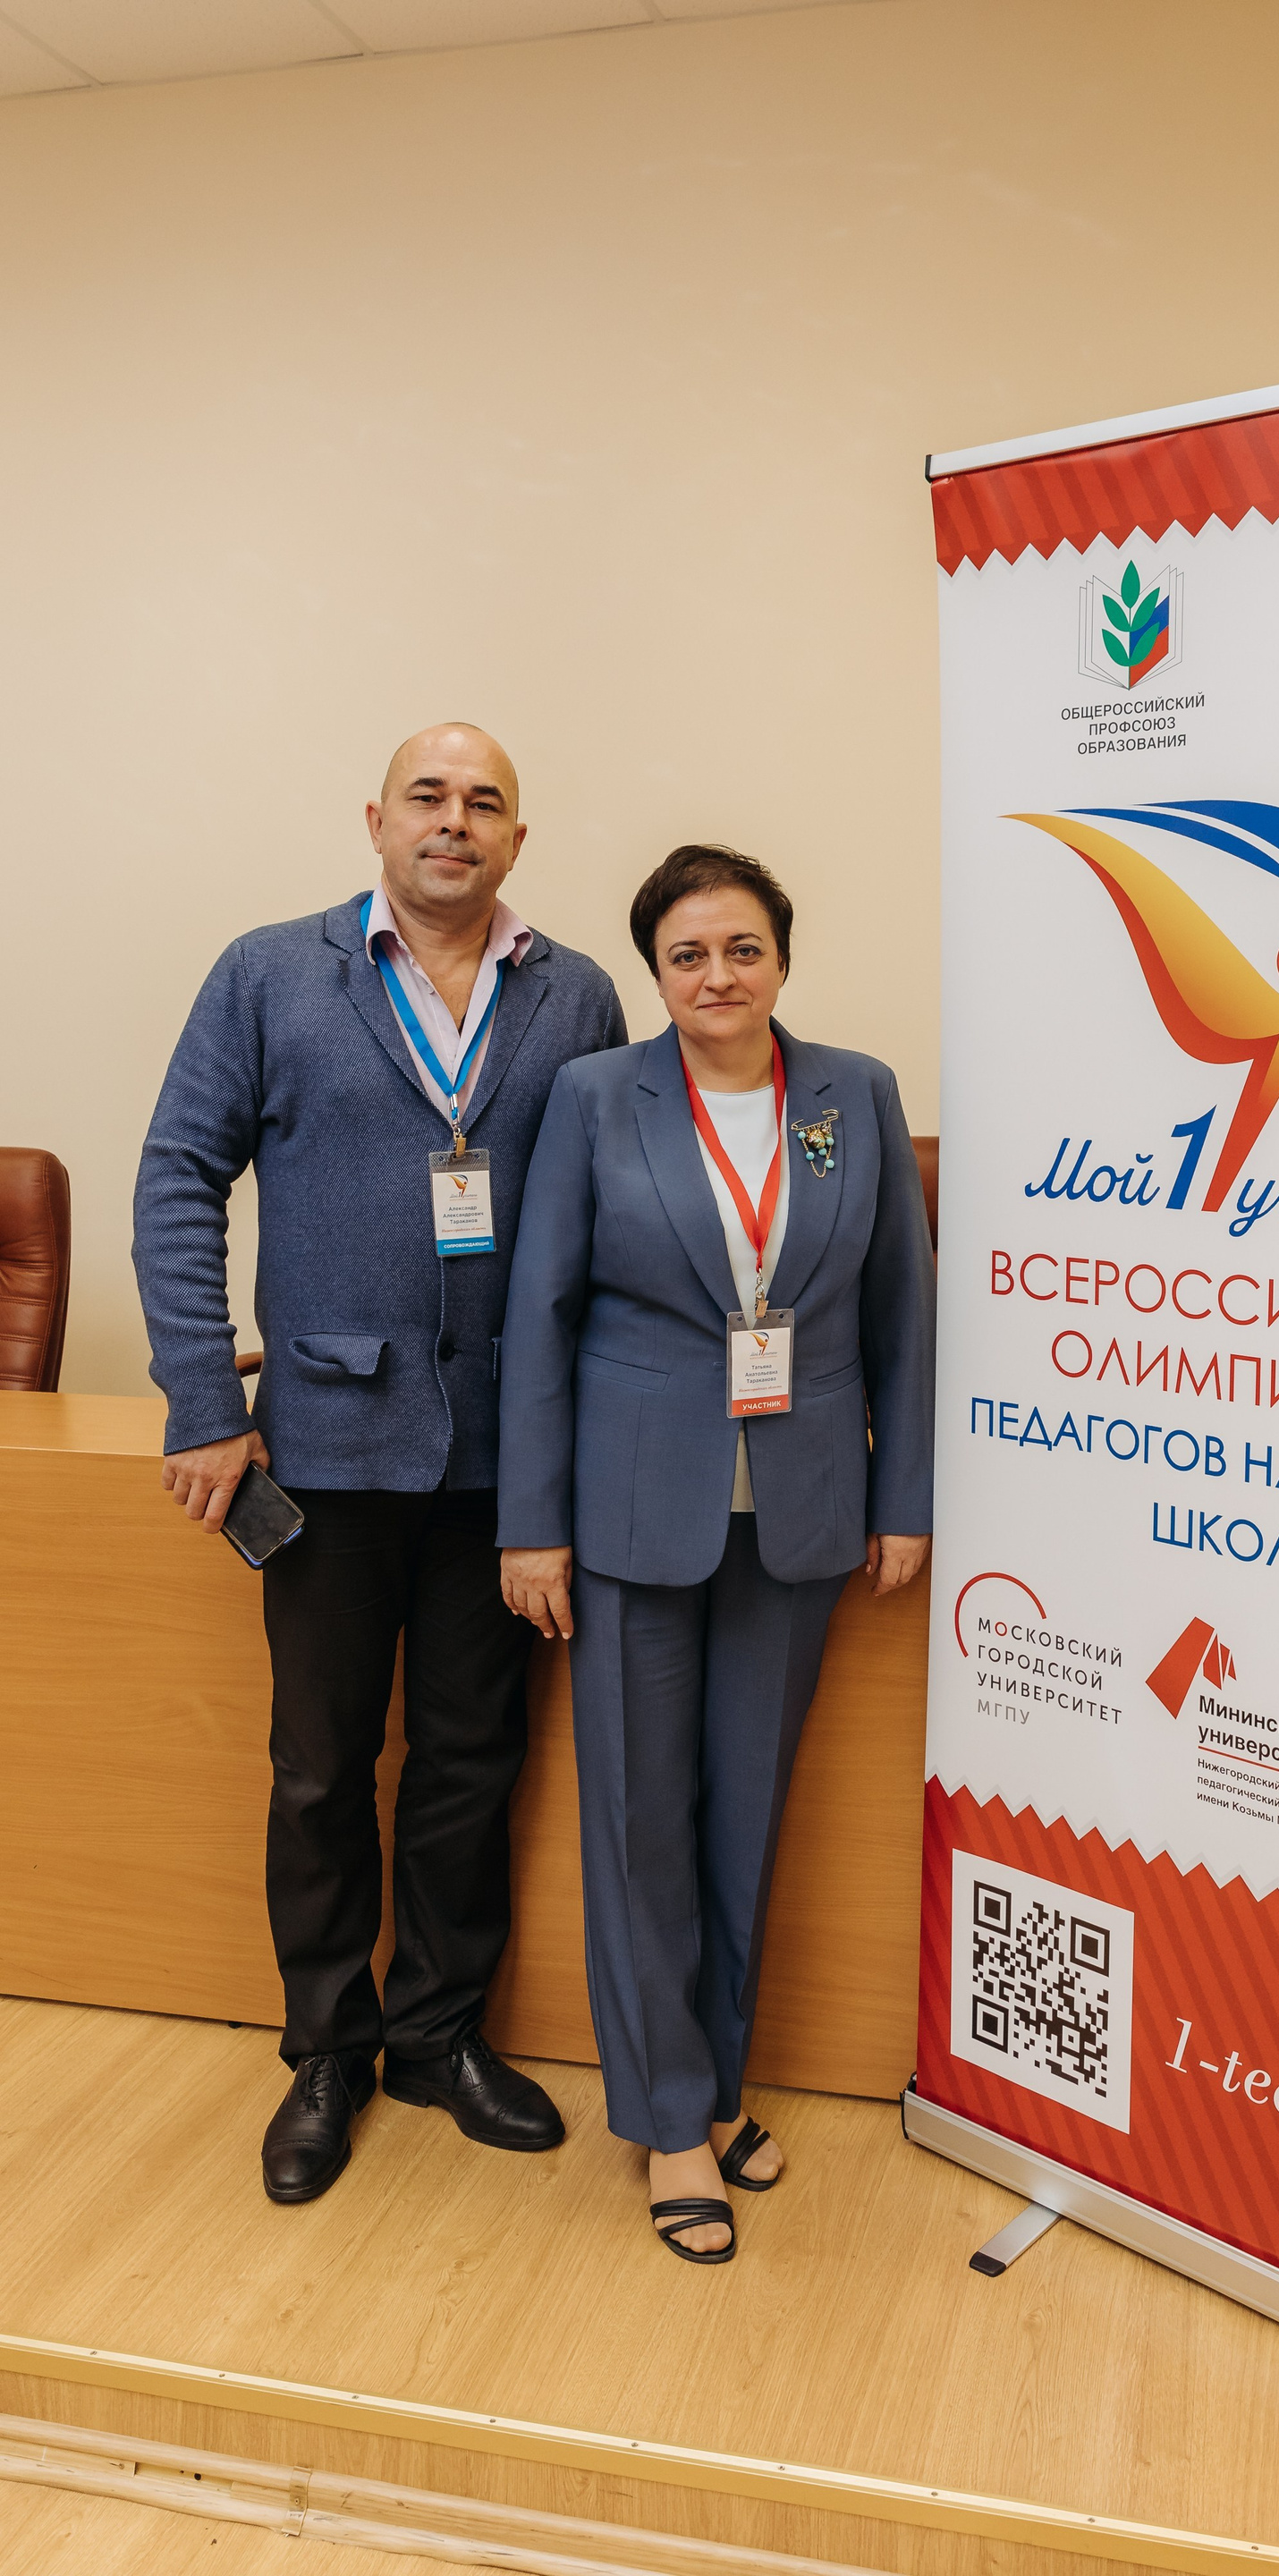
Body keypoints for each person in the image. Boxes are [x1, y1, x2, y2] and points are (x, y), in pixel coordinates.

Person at [133, 723, 626, 2205]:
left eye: (485, 802)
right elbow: (177, 1175)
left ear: (517, 839)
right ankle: (327, 2050)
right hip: (328, 1451)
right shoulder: (270, 973)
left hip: (507, 1462)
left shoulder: (576, 993)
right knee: (320, 1769)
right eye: (428, 796)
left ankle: (437, 2037)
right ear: (377, 821)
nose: (453, 821)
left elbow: (616, 1209)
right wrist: (199, 1398)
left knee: (474, 1763)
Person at [496, 843, 935, 2263]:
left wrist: (904, 1497)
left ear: (782, 959)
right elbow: (540, 1318)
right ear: (656, 973)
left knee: (748, 1814)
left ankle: (719, 2079)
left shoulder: (854, 1095)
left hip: (799, 1512)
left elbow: (902, 1313)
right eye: (687, 954)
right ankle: (669, 2118)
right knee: (640, 1824)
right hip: (632, 1509)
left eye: (743, 948)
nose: (718, 975)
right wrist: (531, 1525)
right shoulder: (595, 1098)